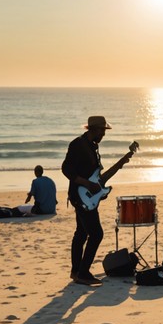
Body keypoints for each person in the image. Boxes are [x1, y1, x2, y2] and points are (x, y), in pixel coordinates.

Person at [61, 115, 134, 286]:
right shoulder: (78, 144)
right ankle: (84, 273)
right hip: (79, 195)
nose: (104, 134)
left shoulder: (92, 147)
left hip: (86, 196)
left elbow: (97, 178)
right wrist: (87, 184)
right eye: (102, 130)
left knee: (81, 233)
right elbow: (66, 169)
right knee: (96, 234)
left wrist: (100, 190)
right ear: (92, 129)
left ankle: (76, 271)